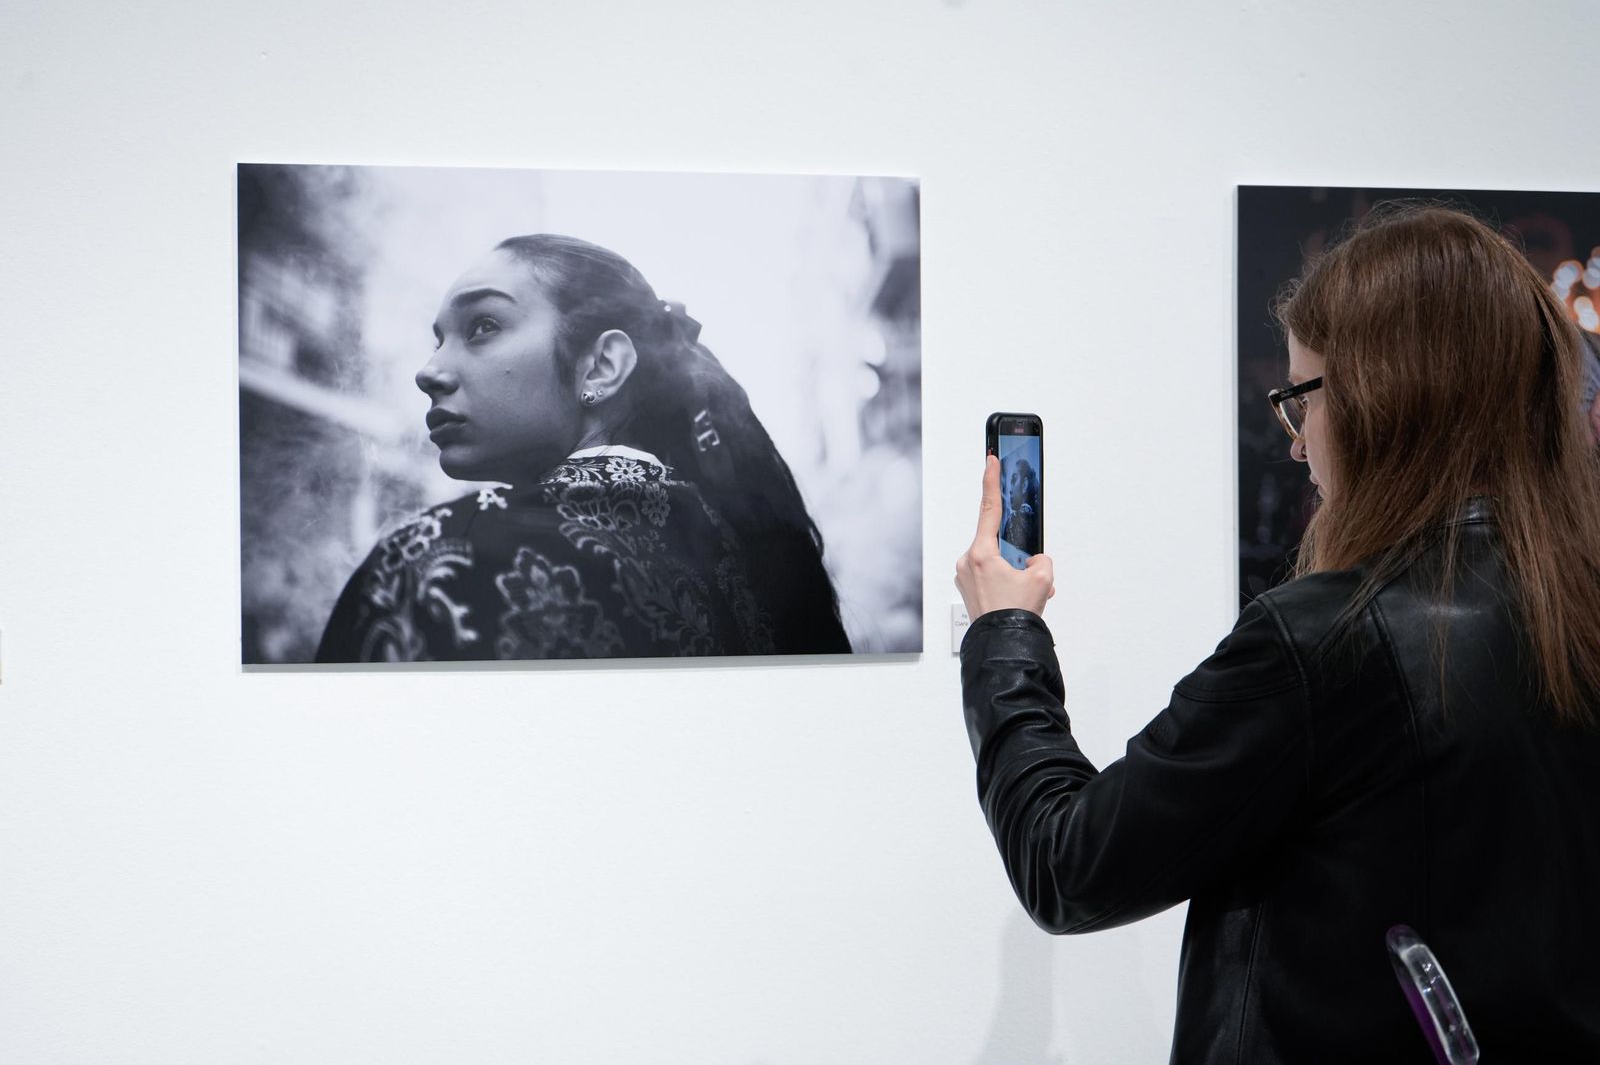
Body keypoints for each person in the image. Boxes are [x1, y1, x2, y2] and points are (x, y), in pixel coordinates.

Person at [954, 205, 1600, 1060]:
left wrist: (1005, 631)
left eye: (1302, 399)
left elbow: (1069, 865)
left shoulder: (1330, 640)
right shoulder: (1576, 608)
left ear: (1385, 395)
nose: (1297, 447)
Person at [317, 234, 851, 661]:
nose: (428, 372)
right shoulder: (746, 568)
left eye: (482, 326)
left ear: (601, 366)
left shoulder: (439, 558)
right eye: (438, 340)